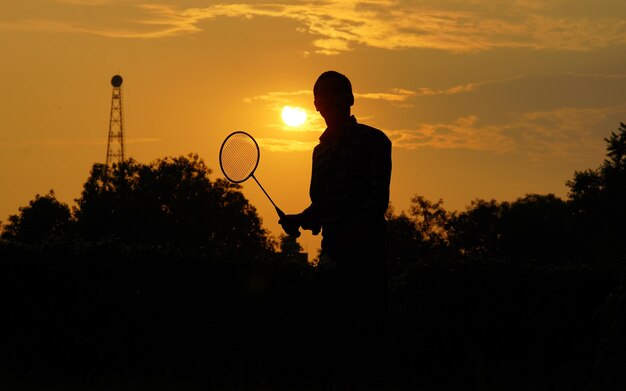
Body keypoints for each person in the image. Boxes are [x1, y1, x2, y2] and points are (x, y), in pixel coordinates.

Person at [279, 70, 392, 339]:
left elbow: (376, 202)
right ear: (316, 105)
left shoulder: (374, 140)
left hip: (367, 262)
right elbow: (321, 207)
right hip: (332, 263)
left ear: (350, 98)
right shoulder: (319, 152)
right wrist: (298, 220)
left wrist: (349, 240)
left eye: (336, 91)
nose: (329, 98)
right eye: (323, 94)